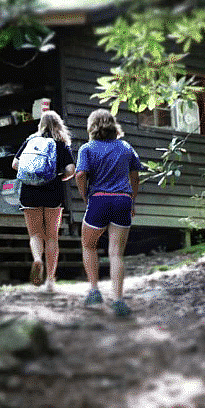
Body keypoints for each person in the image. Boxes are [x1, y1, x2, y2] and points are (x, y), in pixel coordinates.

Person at [75, 109, 142, 317]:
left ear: (91, 126)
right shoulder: (126, 147)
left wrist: (85, 195)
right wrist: (132, 199)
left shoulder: (87, 148)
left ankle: (94, 290)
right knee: (116, 253)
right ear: (113, 125)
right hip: (122, 200)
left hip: (99, 200)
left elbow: (80, 174)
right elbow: (135, 176)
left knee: (88, 244)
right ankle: (119, 300)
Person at [12, 110, 75, 292]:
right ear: (58, 125)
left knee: (35, 234)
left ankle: (37, 259)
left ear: (41, 124)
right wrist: (58, 178)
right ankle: (50, 280)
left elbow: (15, 165)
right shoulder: (61, 144)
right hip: (52, 192)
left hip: (29, 192)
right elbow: (71, 170)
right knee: (52, 237)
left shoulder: (30, 141)